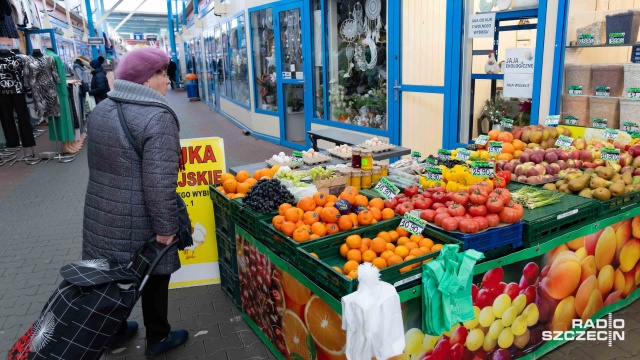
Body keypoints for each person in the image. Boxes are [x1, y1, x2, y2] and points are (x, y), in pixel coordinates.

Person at [82, 48, 188, 356]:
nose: (168, 81)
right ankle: (158, 338)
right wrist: (167, 228)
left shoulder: (102, 109)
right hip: (141, 219)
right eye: (164, 74)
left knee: (110, 277)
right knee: (155, 276)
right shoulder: (157, 117)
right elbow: (159, 183)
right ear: (147, 79)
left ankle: (112, 332)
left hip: (101, 212)